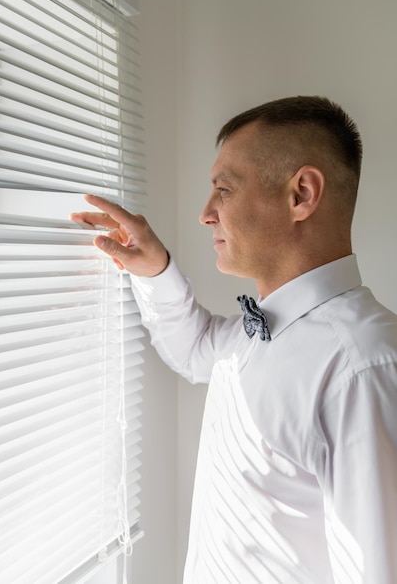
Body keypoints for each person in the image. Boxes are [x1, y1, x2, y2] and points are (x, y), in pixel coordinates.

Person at [70, 96, 397, 583]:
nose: (205, 213)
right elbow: (197, 350)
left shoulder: (363, 366)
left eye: (224, 189)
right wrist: (155, 268)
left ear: (301, 194)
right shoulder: (260, 327)